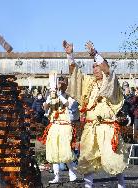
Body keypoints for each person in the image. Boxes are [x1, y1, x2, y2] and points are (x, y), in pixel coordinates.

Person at [63, 40, 128, 188]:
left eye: (97, 65)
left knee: (113, 158)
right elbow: (75, 75)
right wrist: (69, 55)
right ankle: (88, 186)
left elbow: (107, 71)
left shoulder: (111, 81)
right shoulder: (89, 82)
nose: (95, 69)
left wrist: (95, 54)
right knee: (87, 159)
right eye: (93, 66)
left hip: (107, 127)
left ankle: (122, 185)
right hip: (90, 128)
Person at [38, 72, 79, 184]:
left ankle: (72, 173)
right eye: (58, 83)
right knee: (53, 151)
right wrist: (49, 98)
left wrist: (59, 94)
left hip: (65, 126)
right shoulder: (51, 97)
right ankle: (56, 176)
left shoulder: (70, 97)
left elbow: (69, 105)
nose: (60, 85)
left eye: (62, 83)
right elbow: (45, 109)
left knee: (65, 151)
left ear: (66, 85)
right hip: (54, 126)